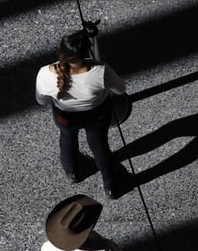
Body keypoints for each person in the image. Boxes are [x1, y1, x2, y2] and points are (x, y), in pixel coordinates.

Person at [35, 30, 130, 199]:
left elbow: (41, 101)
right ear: (87, 52)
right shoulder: (101, 71)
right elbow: (121, 89)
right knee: (99, 146)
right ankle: (110, 186)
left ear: (62, 51)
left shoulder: (45, 73)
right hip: (97, 115)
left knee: (67, 137)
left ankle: (73, 173)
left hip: (65, 116)